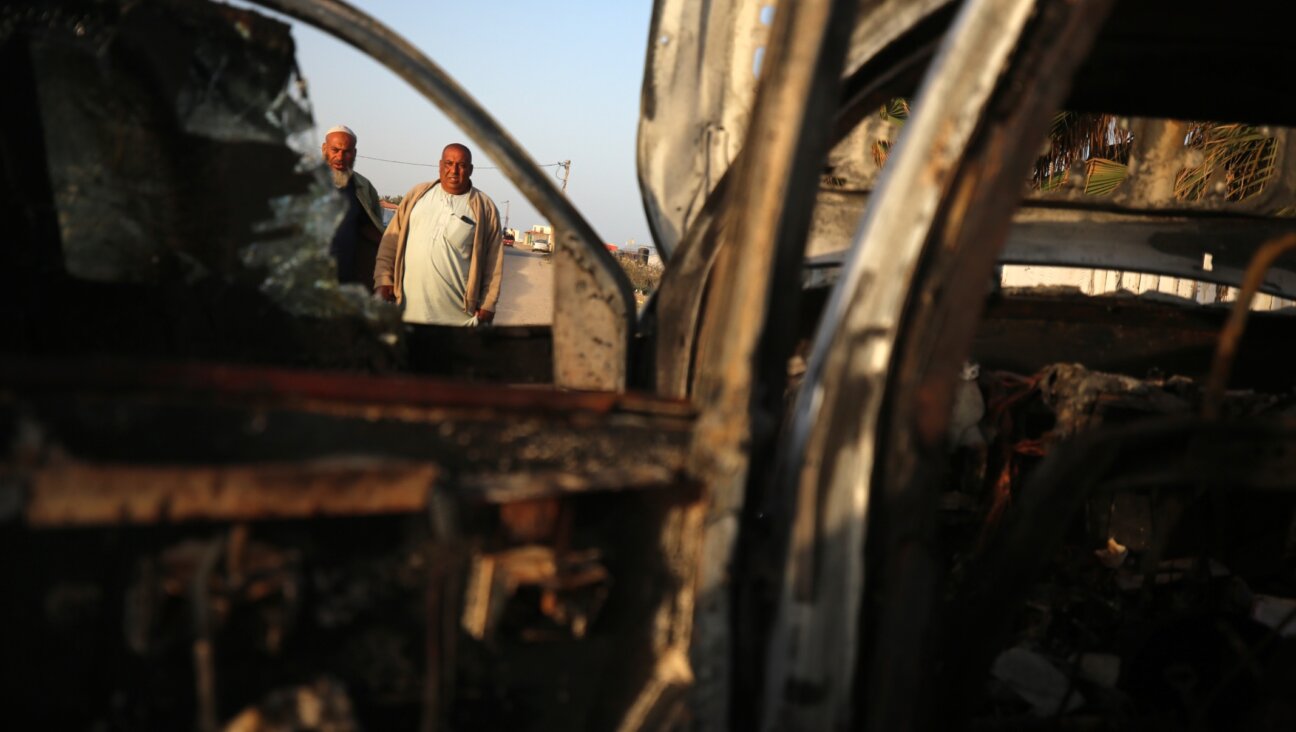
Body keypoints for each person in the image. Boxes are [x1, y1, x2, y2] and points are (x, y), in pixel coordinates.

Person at [373, 143, 504, 326]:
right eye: (449, 163)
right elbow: (390, 242)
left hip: (458, 320)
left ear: (471, 169)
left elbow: (494, 262)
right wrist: (383, 279)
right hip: (407, 312)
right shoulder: (417, 195)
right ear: (440, 165)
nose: (454, 170)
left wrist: (488, 305)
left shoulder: (484, 207)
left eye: (462, 165)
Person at [321, 125, 385, 286]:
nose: (340, 157)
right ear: (324, 149)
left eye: (346, 152)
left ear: (354, 153)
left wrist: (395, 250)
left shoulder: (362, 187)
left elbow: (368, 227)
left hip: (346, 278)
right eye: (335, 150)